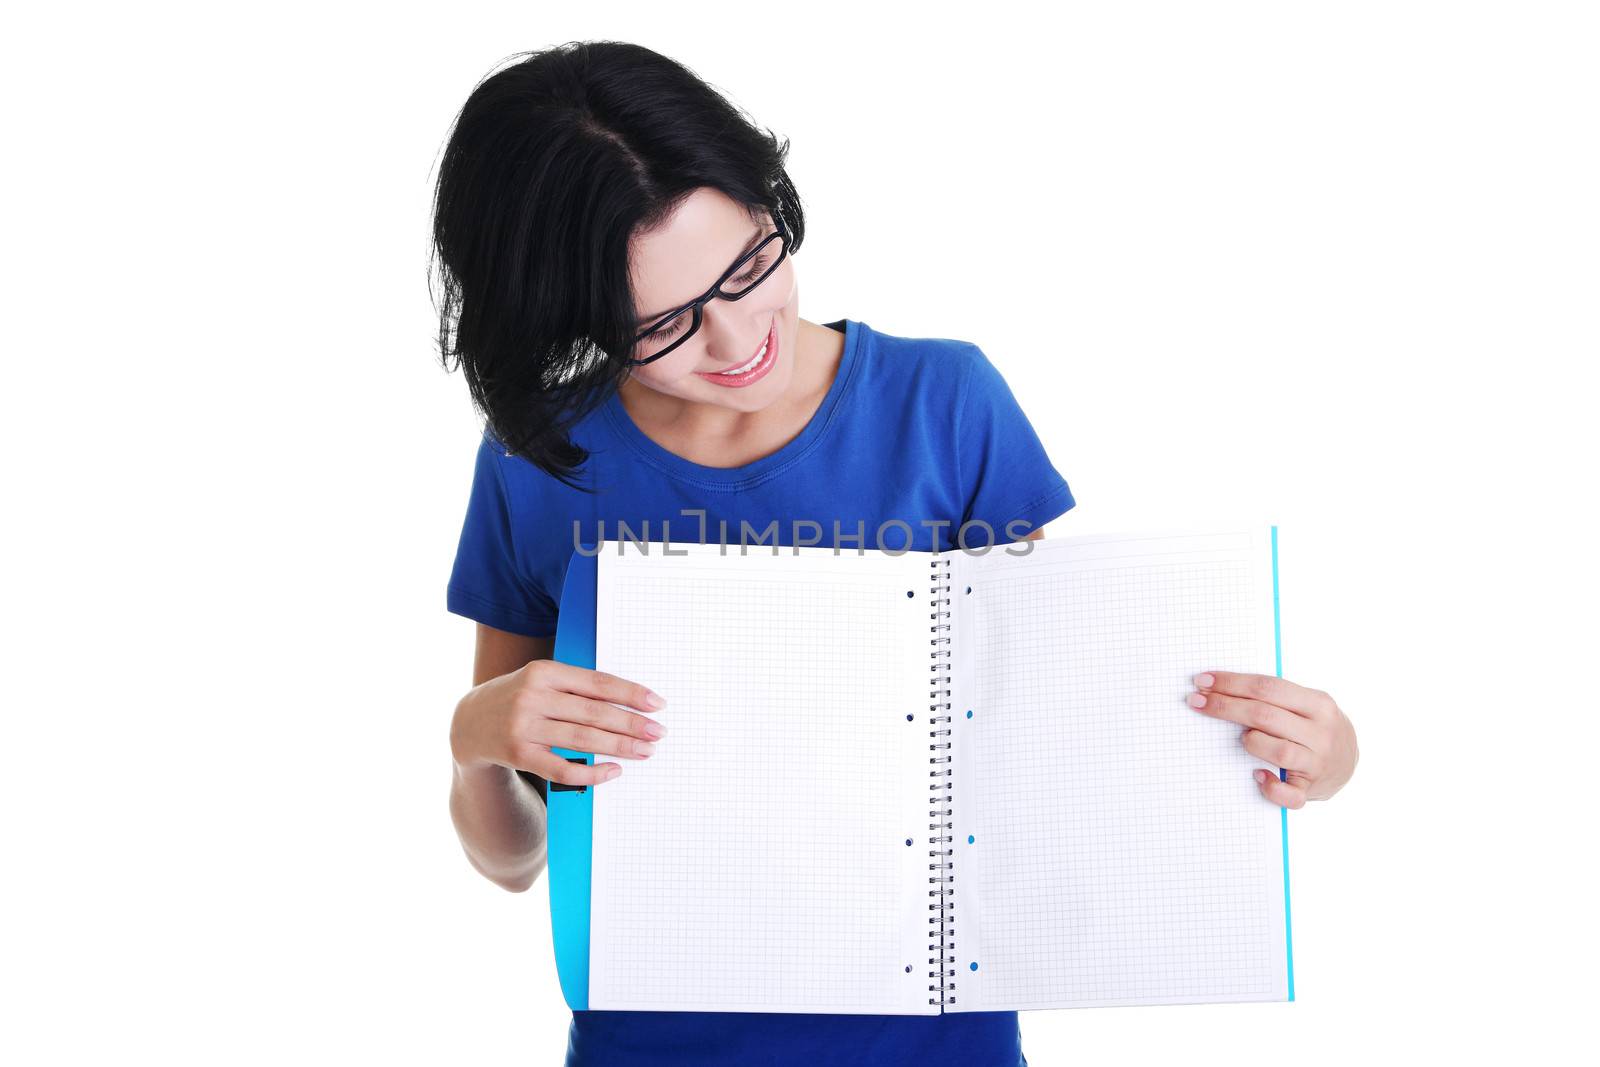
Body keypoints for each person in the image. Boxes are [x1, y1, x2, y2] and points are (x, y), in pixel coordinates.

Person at [433, 40, 1359, 1067]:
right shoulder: (540, 459)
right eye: (662, 324)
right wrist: (476, 739)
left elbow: (1053, 752)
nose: (738, 336)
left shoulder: (943, 405)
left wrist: (1318, 756)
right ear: (570, 315)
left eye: (748, 263)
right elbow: (514, 860)